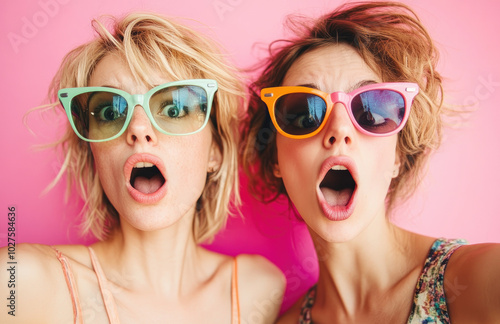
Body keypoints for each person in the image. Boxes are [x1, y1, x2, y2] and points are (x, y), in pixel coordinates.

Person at [0, 12, 284, 324]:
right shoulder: (22, 282)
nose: (137, 128)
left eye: (173, 109)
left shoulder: (257, 288)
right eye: (110, 111)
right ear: (93, 151)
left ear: (214, 151)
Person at [241, 1, 500, 323]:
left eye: (371, 112)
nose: (339, 130)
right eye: (305, 114)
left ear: (398, 156)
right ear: (275, 159)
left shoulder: (484, 281)